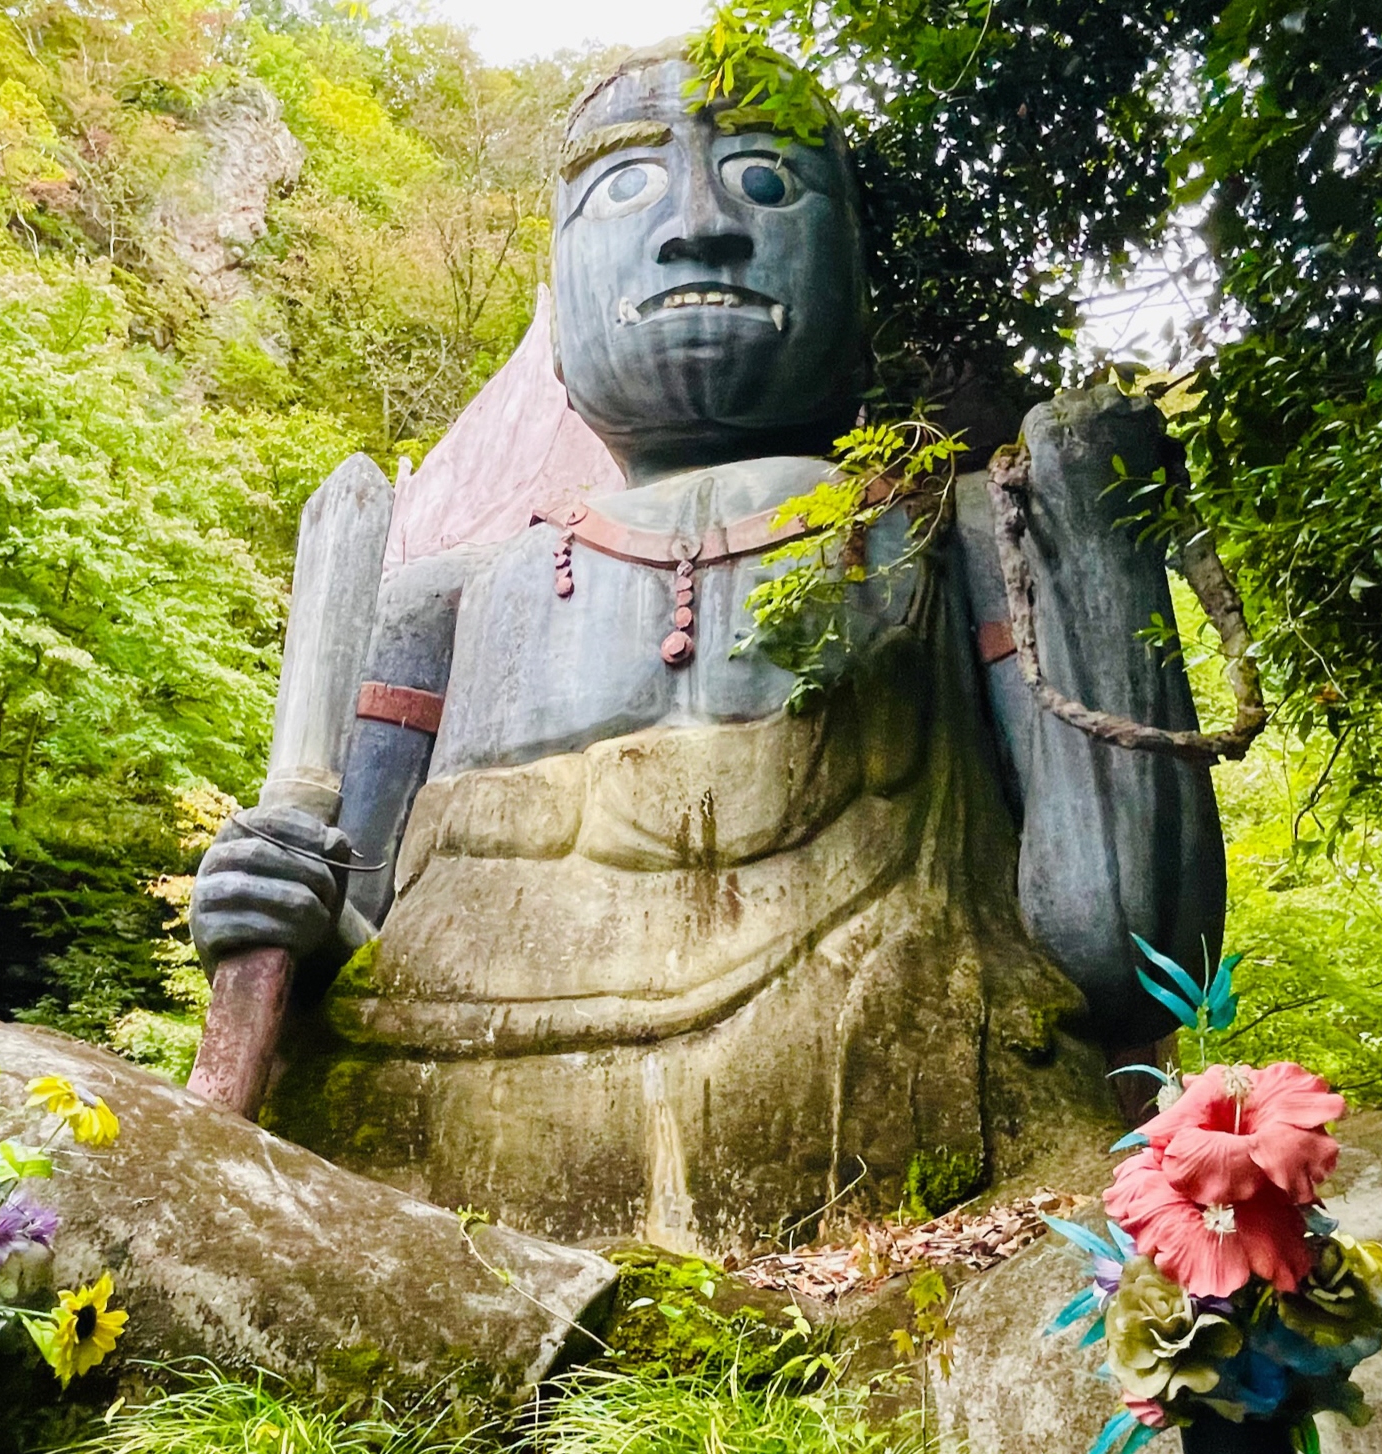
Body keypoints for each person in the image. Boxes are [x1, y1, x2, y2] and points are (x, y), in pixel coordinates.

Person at [190, 42, 1223, 1254]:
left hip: (919, 1189)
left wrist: (1097, 559)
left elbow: (1131, 956)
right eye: (623, 188)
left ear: (857, 278)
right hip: (435, 1183)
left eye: (770, 186)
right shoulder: (441, 603)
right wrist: (273, 898)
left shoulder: (961, 541)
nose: (699, 229)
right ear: (559, 296)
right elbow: (339, 942)